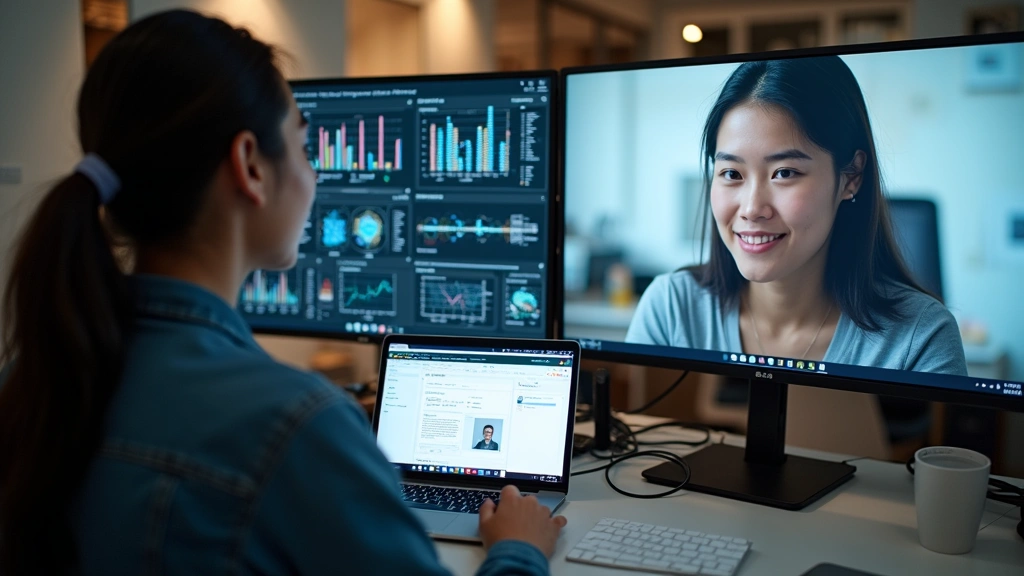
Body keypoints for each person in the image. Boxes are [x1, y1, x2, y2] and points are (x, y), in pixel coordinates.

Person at [0, 11, 564, 576]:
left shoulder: (32, 380)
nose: (315, 176)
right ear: (250, 165)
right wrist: (519, 549)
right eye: (303, 146)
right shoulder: (298, 426)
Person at [626, 56, 967, 376]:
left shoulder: (921, 337)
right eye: (732, 174)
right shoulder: (671, 310)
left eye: (785, 173)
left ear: (851, 177)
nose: (751, 209)